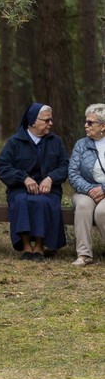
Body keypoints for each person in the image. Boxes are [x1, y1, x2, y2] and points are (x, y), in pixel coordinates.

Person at [0, 103, 68, 260]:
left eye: (51, 120)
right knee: (21, 201)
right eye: (46, 120)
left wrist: (50, 178)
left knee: (42, 202)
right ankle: (26, 246)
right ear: (33, 122)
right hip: (20, 189)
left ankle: (40, 247)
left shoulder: (56, 142)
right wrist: (23, 178)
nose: (51, 123)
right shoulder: (14, 142)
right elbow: (3, 167)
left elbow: (64, 166)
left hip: (49, 190)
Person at [67, 103, 105, 266]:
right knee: (83, 206)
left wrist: (103, 189)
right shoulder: (81, 144)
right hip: (85, 191)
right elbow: (73, 173)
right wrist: (90, 189)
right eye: (86, 121)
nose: (86, 125)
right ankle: (84, 255)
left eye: (90, 122)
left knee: (102, 212)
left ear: (103, 126)